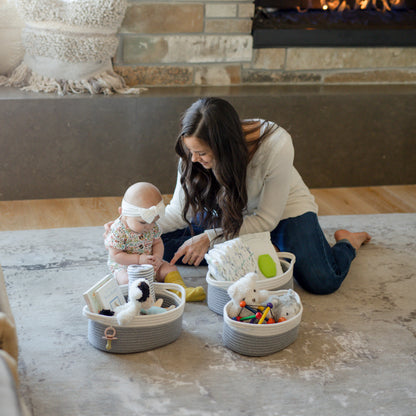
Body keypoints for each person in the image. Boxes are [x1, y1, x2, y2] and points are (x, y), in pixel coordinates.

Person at [157, 97, 371, 295]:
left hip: (283, 212)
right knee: (156, 243)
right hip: (233, 213)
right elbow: (178, 212)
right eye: (190, 151)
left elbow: (267, 219)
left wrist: (210, 237)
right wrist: (128, 228)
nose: (193, 159)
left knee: (323, 281)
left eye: (202, 153)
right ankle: (267, 249)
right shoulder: (193, 153)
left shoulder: (276, 144)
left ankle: (348, 241)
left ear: (224, 147)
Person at [104, 182, 206, 302]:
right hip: (127, 266)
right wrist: (138, 260)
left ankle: (180, 291)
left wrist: (157, 257)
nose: (149, 226)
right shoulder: (118, 230)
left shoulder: (152, 225)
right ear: (123, 213)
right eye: (143, 222)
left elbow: (157, 242)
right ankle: (140, 297)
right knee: (125, 279)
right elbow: (115, 255)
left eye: (154, 221)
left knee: (169, 267)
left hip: (150, 262)